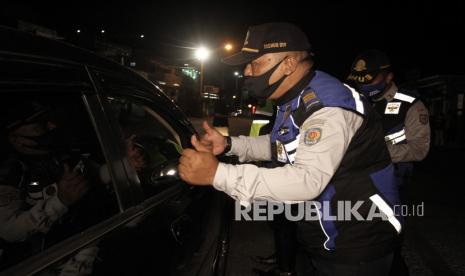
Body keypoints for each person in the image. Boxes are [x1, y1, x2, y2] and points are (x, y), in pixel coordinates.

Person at [179, 22, 402, 276]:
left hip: (357, 240)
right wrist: (230, 144)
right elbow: (284, 145)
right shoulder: (296, 96)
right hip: (325, 231)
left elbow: (307, 180)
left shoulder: (327, 107)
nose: (248, 72)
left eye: (256, 63)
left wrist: (218, 175)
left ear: (288, 64)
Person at [347, 49, 431, 276]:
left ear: (389, 77)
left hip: (392, 187)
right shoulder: (355, 101)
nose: (363, 86)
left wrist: (376, 151)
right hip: (355, 186)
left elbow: (419, 149)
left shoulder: (410, 104)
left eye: (370, 79)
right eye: (359, 80)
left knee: (388, 248)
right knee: (358, 250)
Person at [0, 101, 89, 269]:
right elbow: (9, 230)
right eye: (38, 126)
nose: (50, 127)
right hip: (37, 263)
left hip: (73, 248)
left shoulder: (57, 154)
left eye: (47, 121)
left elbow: (92, 174)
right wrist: (60, 201)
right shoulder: (10, 173)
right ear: (15, 139)